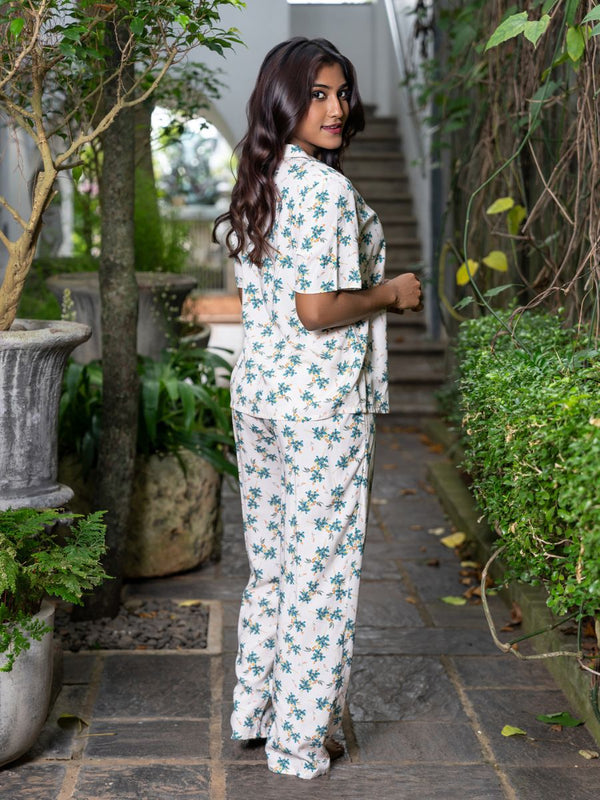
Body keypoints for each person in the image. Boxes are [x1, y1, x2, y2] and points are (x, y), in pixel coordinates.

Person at [214, 37, 422, 779]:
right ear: (284, 100)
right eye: (317, 95)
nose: (335, 109)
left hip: (261, 394)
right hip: (317, 403)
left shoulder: (265, 177)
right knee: (321, 574)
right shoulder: (326, 192)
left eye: (341, 92)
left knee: (272, 566)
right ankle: (299, 741)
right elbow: (315, 309)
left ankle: (259, 713)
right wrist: (392, 293)